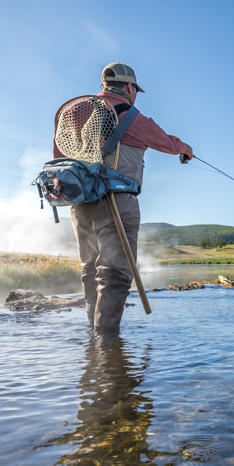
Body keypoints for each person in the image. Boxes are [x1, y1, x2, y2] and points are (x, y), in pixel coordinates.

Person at [53, 63, 194, 334]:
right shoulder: (132, 116)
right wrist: (186, 150)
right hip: (117, 201)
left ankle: (94, 339)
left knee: (90, 271)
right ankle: (107, 346)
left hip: (79, 204)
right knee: (115, 274)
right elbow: (166, 141)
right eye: (136, 89)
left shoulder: (72, 113)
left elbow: (60, 159)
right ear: (130, 87)